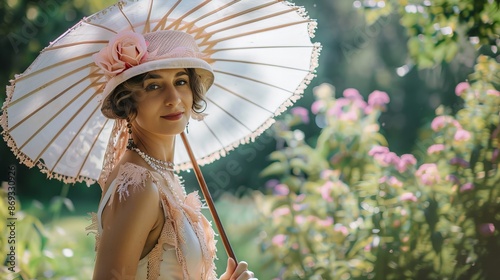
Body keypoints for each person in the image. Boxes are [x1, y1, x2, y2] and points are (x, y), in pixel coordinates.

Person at [87, 30, 255, 279]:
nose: (173, 99)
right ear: (127, 102)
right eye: (153, 86)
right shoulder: (138, 187)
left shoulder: (160, 176)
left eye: (180, 81)